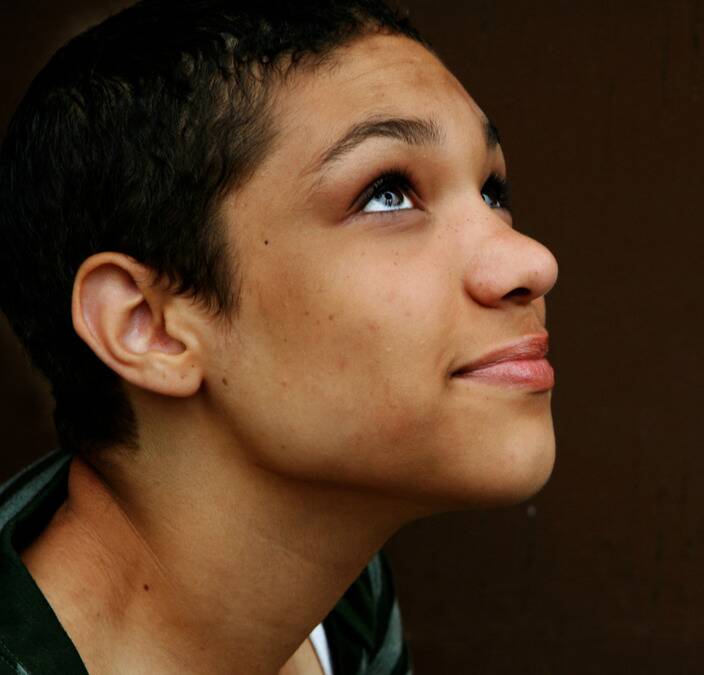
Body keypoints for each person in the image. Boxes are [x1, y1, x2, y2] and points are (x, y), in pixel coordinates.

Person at [0, 0, 559, 673]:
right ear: (148, 326)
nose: (531, 261)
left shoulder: (342, 606)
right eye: (387, 193)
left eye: (492, 189)